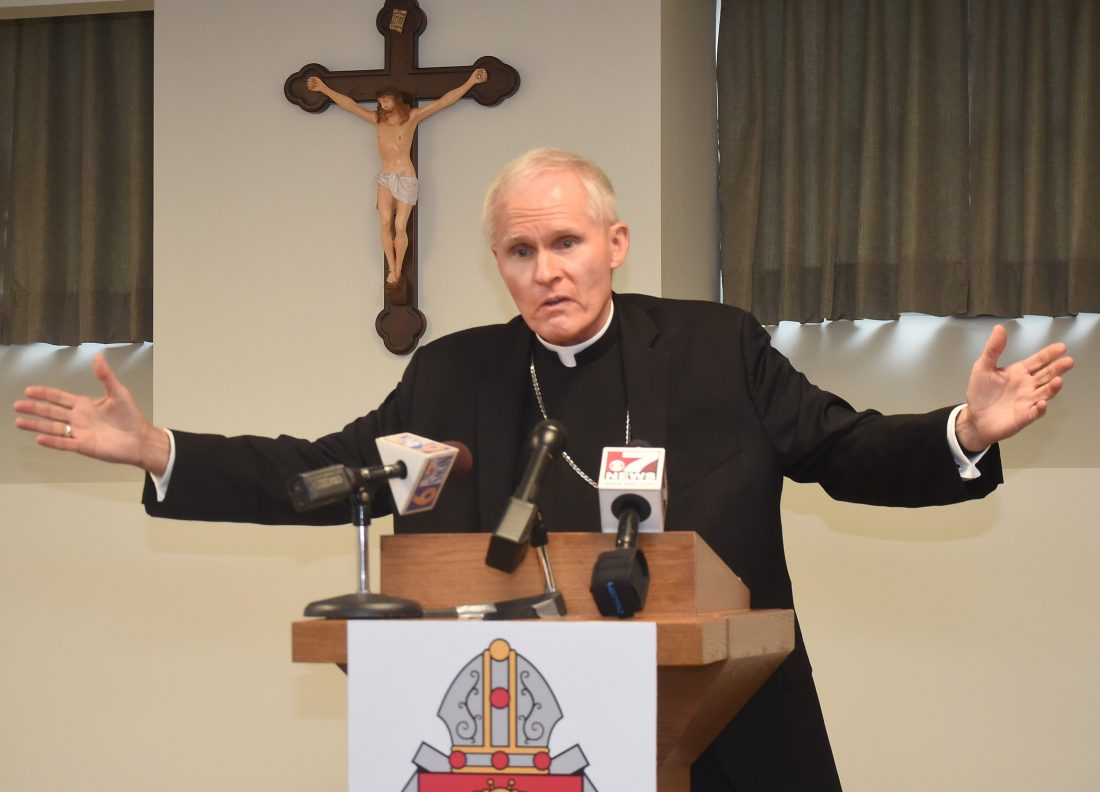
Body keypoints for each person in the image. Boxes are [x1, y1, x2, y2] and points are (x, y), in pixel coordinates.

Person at [12, 148, 1074, 791]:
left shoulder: (715, 348)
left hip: (728, 723)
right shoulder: (454, 374)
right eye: (520, 253)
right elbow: (332, 473)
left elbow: (844, 450)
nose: (546, 272)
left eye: (565, 243)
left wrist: (964, 431)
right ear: (499, 265)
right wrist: (162, 451)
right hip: (520, 749)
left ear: (615, 242)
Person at [306, 69, 488, 287]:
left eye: (386, 99)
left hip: (405, 177)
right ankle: (392, 267)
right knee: (384, 222)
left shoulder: (411, 117)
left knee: (400, 226)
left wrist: (470, 82)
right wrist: (324, 88)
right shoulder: (377, 120)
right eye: (380, 100)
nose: (382, 103)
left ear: (396, 99)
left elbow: (443, 102)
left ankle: (399, 268)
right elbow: (351, 106)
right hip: (385, 177)